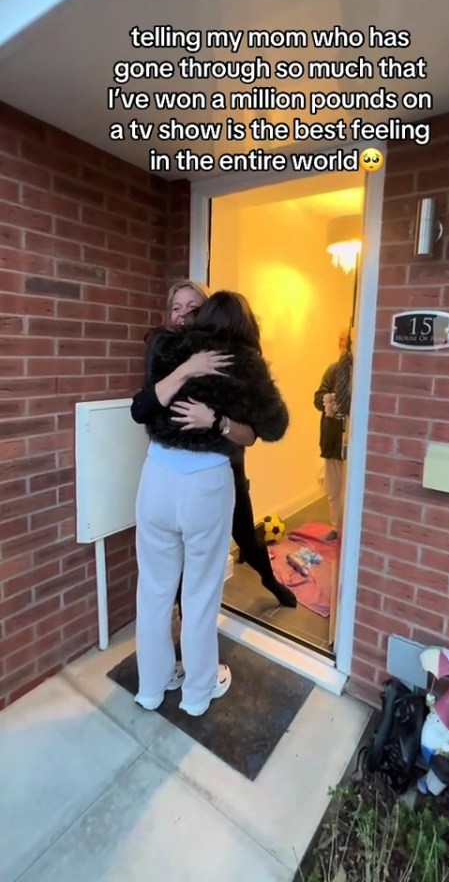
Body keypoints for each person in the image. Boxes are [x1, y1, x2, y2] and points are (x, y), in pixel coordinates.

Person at [133, 290, 289, 717]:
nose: (183, 315)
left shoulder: (165, 346)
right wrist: (223, 422)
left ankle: (151, 686)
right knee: (200, 594)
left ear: (201, 317)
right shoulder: (246, 363)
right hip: (205, 482)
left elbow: (146, 405)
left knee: (154, 590)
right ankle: (199, 693)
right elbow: (273, 426)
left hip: (158, 476)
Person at [131, 280, 296, 608]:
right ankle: (180, 624)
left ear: (205, 312)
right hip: (176, 477)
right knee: (174, 562)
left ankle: (269, 580)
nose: (182, 315)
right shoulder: (167, 351)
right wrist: (186, 368)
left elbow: (256, 433)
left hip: (227, 466)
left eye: (192, 308)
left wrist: (217, 420)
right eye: (176, 308)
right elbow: (141, 408)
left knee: (246, 535)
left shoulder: (233, 358)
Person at [313, 329, 352, 540]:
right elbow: (317, 398)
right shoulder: (333, 370)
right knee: (334, 488)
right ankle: (337, 528)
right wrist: (329, 400)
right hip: (332, 439)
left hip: (352, 442)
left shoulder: (363, 374)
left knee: (350, 488)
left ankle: (351, 529)